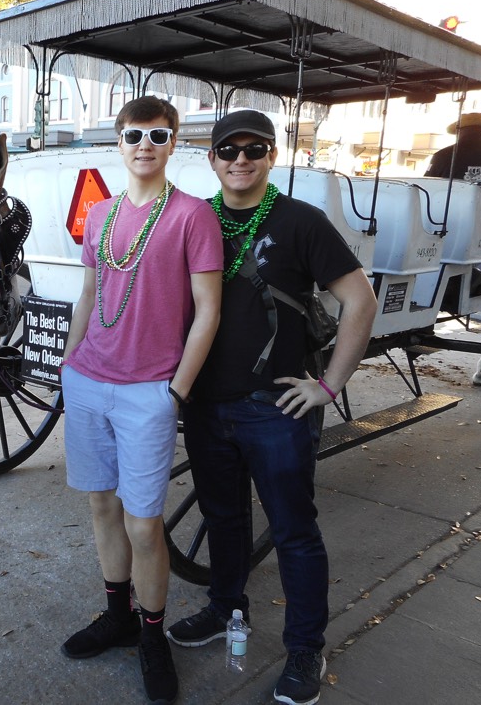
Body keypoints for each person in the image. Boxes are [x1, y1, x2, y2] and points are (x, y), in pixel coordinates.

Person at [165, 110, 377, 705]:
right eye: (227, 149)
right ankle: (225, 608)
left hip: (275, 409)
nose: (240, 159)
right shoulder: (194, 220)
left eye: (254, 149)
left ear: (271, 156)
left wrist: (328, 386)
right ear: (211, 159)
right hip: (207, 407)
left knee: (293, 531)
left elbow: (360, 301)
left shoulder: (301, 222)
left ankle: (306, 647)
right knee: (225, 521)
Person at [59, 96, 223, 705]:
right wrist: (69, 367)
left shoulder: (191, 216)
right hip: (89, 380)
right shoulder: (100, 215)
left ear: (174, 142)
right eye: (134, 134)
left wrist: (174, 390)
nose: (145, 144)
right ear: (119, 142)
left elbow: (208, 311)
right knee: (103, 506)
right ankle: (117, 614)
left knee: (145, 523)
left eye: (158, 134)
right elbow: (86, 295)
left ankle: (152, 634)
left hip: (149, 390)